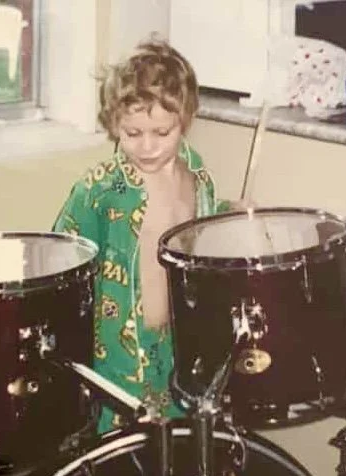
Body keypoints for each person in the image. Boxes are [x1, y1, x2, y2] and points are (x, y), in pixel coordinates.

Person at [53, 36, 236, 434]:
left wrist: (229, 214)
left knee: (179, 440)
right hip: (118, 352)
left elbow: (198, 236)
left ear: (185, 120)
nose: (147, 146)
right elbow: (61, 252)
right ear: (114, 123)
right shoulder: (100, 188)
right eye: (133, 133)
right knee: (124, 448)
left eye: (161, 132)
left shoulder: (198, 175)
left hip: (180, 341)